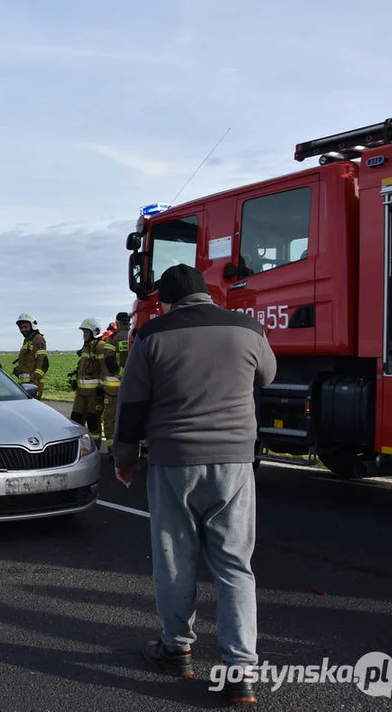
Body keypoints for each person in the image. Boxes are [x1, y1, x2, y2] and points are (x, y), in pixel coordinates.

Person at [112, 264, 276, 705]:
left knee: (175, 560)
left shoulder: (151, 336)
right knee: (234, 565)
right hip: (235, 462)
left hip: (173, 462)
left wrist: (124, 460)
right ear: (208, 295)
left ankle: (177, 649)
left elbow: (130, 407)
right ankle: (240, 671)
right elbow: (268, 376)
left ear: (164, 301)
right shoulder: (248, 328)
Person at [70, 318, 114, 448]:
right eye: (83, 332)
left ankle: (94, 448)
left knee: (93, 421)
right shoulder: (86, 348)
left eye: (86, 332)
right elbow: (82, 367)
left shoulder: (100, 347)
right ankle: (77, 448)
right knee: (76, 419)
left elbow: (104, 369)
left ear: (94, 332)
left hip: (94, 393)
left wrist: (101, 387)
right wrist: (75, 380)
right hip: (81, 392)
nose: (84, 335)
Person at [100, 313, 132, 450]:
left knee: (110, 417)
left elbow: (109, 361)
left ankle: (112, 449)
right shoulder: (135, 335)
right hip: (133, 386)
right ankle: (133, 449)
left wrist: (120, 374)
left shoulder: (113, 338)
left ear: (117, 323)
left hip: (114, 388)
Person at [12, 313, 48, 397]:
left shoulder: (38, 338)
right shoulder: (27, 341)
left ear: (32, 326)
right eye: (21, 328)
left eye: (25, 327)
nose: (23, 330)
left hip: (33, 385)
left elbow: (43, 362)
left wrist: (34, 380)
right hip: (25, 385)